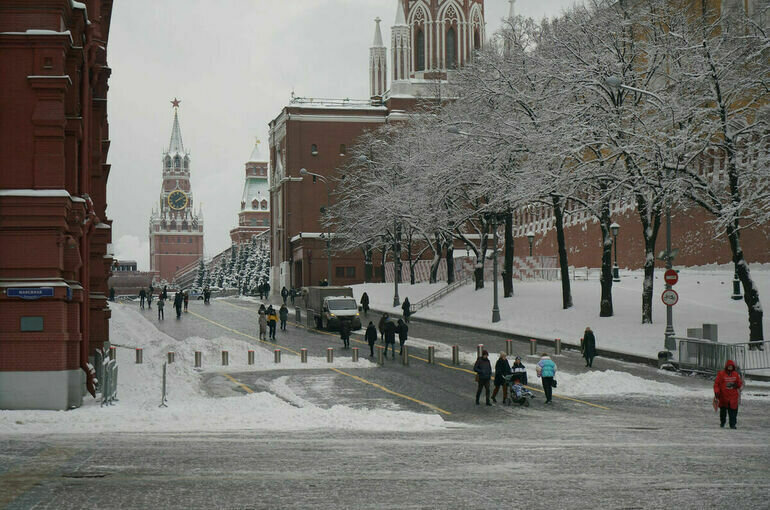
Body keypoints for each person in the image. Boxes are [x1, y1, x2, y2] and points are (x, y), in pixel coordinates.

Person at [714, 359, 743, 429]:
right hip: (723, 397)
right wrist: (717, 393)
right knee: (723, 412)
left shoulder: (735, 374)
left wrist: (737, 385)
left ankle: (732, 424)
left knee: (733, 412)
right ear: (726, 366)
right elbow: (716, 384)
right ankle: (722, 422)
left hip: (733, 397)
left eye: (731, 366)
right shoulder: (721, 374)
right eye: (729, 366)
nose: (730, 368)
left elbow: (740, 383)